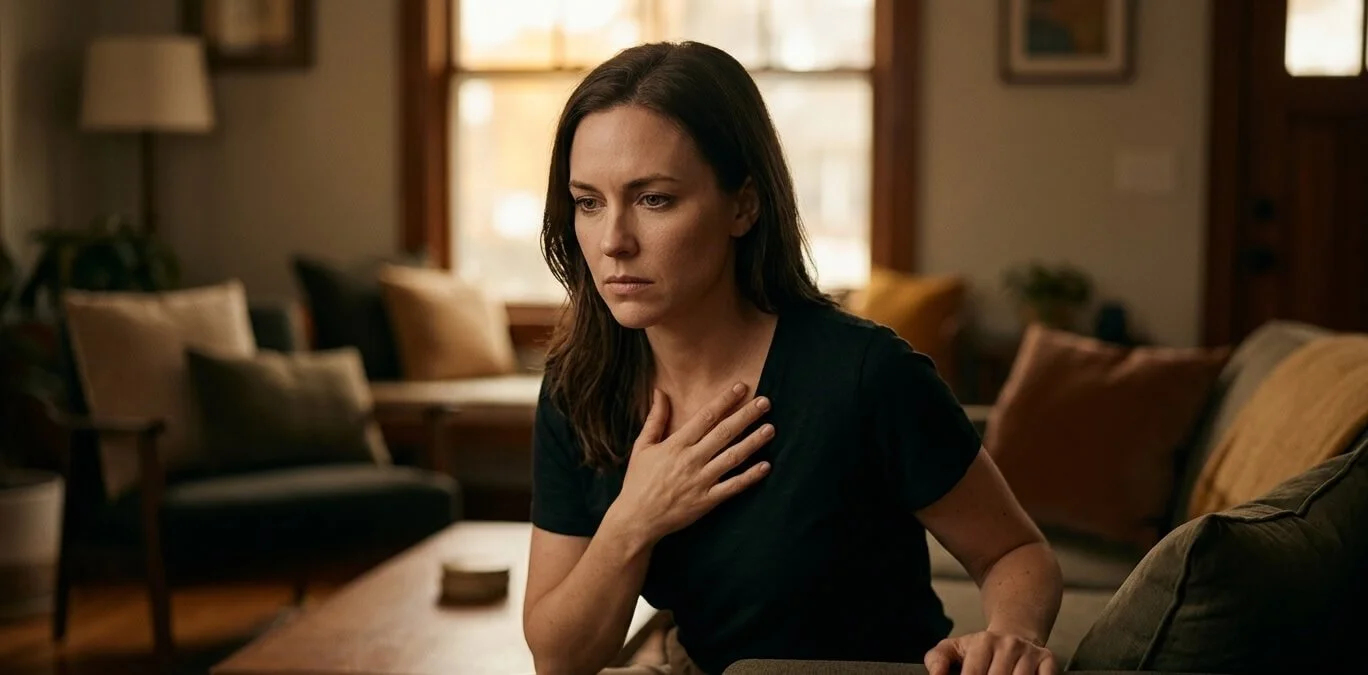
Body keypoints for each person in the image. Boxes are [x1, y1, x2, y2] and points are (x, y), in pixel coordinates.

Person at [522, 41, 1064, 675]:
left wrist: (1011, 635)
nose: (613, 241)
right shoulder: (579, 386)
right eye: (589, 202)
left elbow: (1016, 551)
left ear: (743, 205)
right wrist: (635, 518)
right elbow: (559, 661)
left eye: (655, 200)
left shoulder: (865, 375)